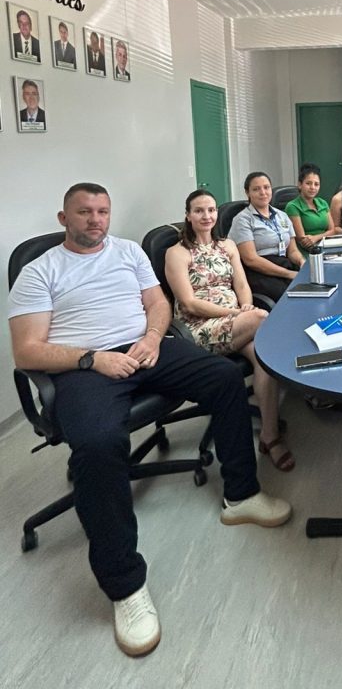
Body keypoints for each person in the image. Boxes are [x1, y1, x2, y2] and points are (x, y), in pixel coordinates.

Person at [8, 183, 291, 658]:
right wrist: (92, 359)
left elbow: (158, 305)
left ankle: (241, 495)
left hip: (147, 349)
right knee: (99, 443)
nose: (95, 220)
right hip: (84, 367)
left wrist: (154, 338)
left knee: (225, 378)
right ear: (64, 218)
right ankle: (125, 587)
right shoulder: (40, 271)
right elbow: (27, 350)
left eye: (102, 211)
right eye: (84, 212)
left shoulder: (127, 252)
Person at [165, 190, 293, 471]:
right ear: (188, 215)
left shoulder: (227, 245)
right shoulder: (177, 253)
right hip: (198, 327)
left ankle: (269, 435)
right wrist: (238, 314)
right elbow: (189, 303)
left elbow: (242, 285)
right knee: (263, 319)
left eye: (211, 210)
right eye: (199, 211)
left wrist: (245, 306)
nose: (207, 216)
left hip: (237, 322)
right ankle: (302, 384)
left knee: (264, 355)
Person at [230, 171, 304, 301]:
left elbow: (292, 251)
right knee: (291, 296)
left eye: (266, 187)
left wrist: (302, 262)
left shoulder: (282, 215)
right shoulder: (242, 220)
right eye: (256, 189)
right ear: (247, 193)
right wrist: (289, 274)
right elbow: (251, 260)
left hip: (284, 264)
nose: (263, 192)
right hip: (259, 271)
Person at [285, 163, 334, 255]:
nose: (313, 187)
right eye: (308, 183)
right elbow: (303, 240)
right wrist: (324, 236)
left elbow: (332, 231)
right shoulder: (292, 206)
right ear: (300, 184)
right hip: (308, 252)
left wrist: (316, 237)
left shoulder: (323, 203)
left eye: (316, 184)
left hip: (327, 247)